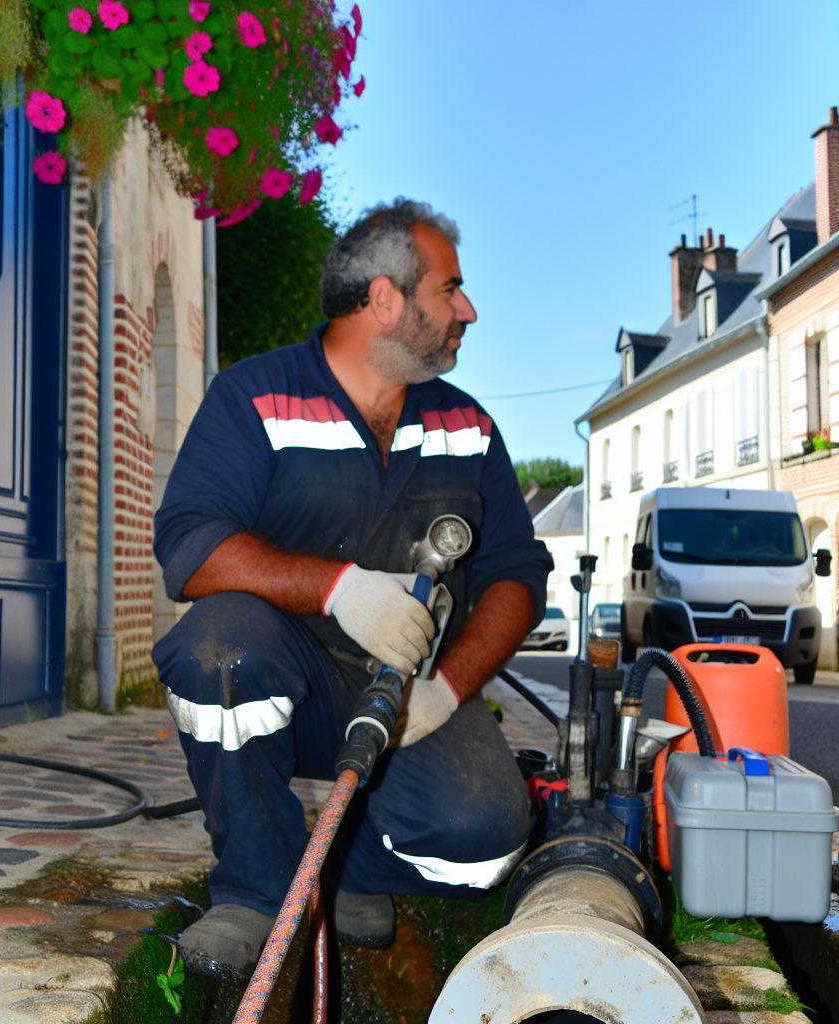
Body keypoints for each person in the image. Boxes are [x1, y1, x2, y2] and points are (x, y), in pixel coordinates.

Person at [152, 199, 553, 982]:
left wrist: (450, 686)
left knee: (491, 843)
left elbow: (517, 573)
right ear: (384, 300)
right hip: (284, 674)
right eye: (450, 289)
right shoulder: (256, 398)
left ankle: (345, 871)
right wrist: (338, 588)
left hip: (413, 689)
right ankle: (257, 892)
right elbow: (191, 546)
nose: (468, 310)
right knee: (216, 648)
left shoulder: (466, 428)